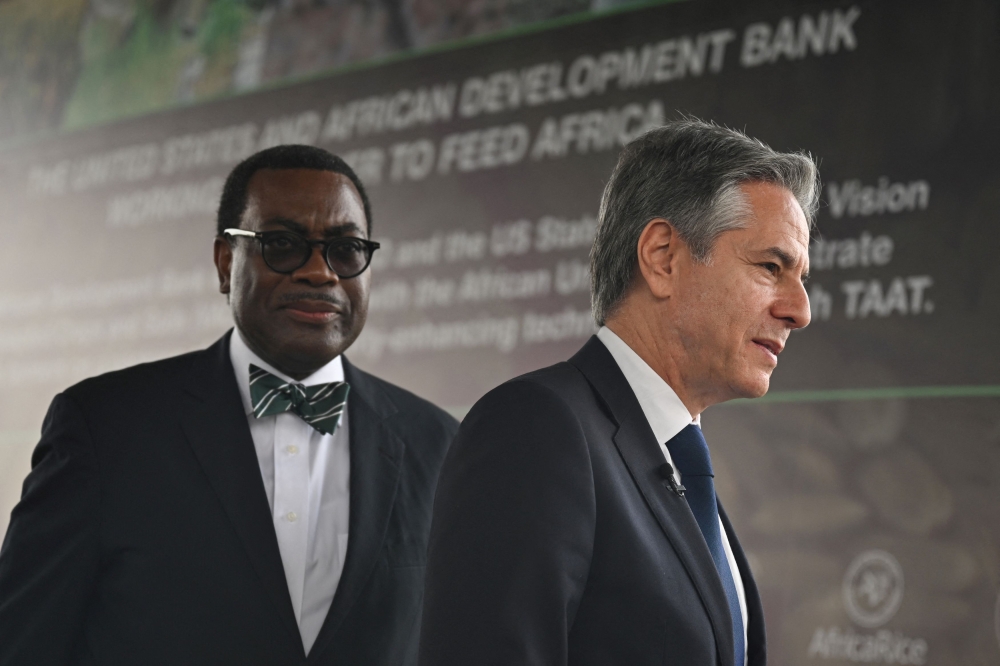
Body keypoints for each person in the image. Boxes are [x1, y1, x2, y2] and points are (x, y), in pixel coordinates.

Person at [0, 145, 458, 665]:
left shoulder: (440, 444)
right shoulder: (105, 427)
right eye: (282, 244)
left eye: (346, 248)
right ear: (225, 263)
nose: (320, 272)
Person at [419, 119, 818, 666]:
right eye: (771, 266)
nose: (800, 310)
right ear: (662, 257)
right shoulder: (536, 428)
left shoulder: (676, 462)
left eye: (801, 279)